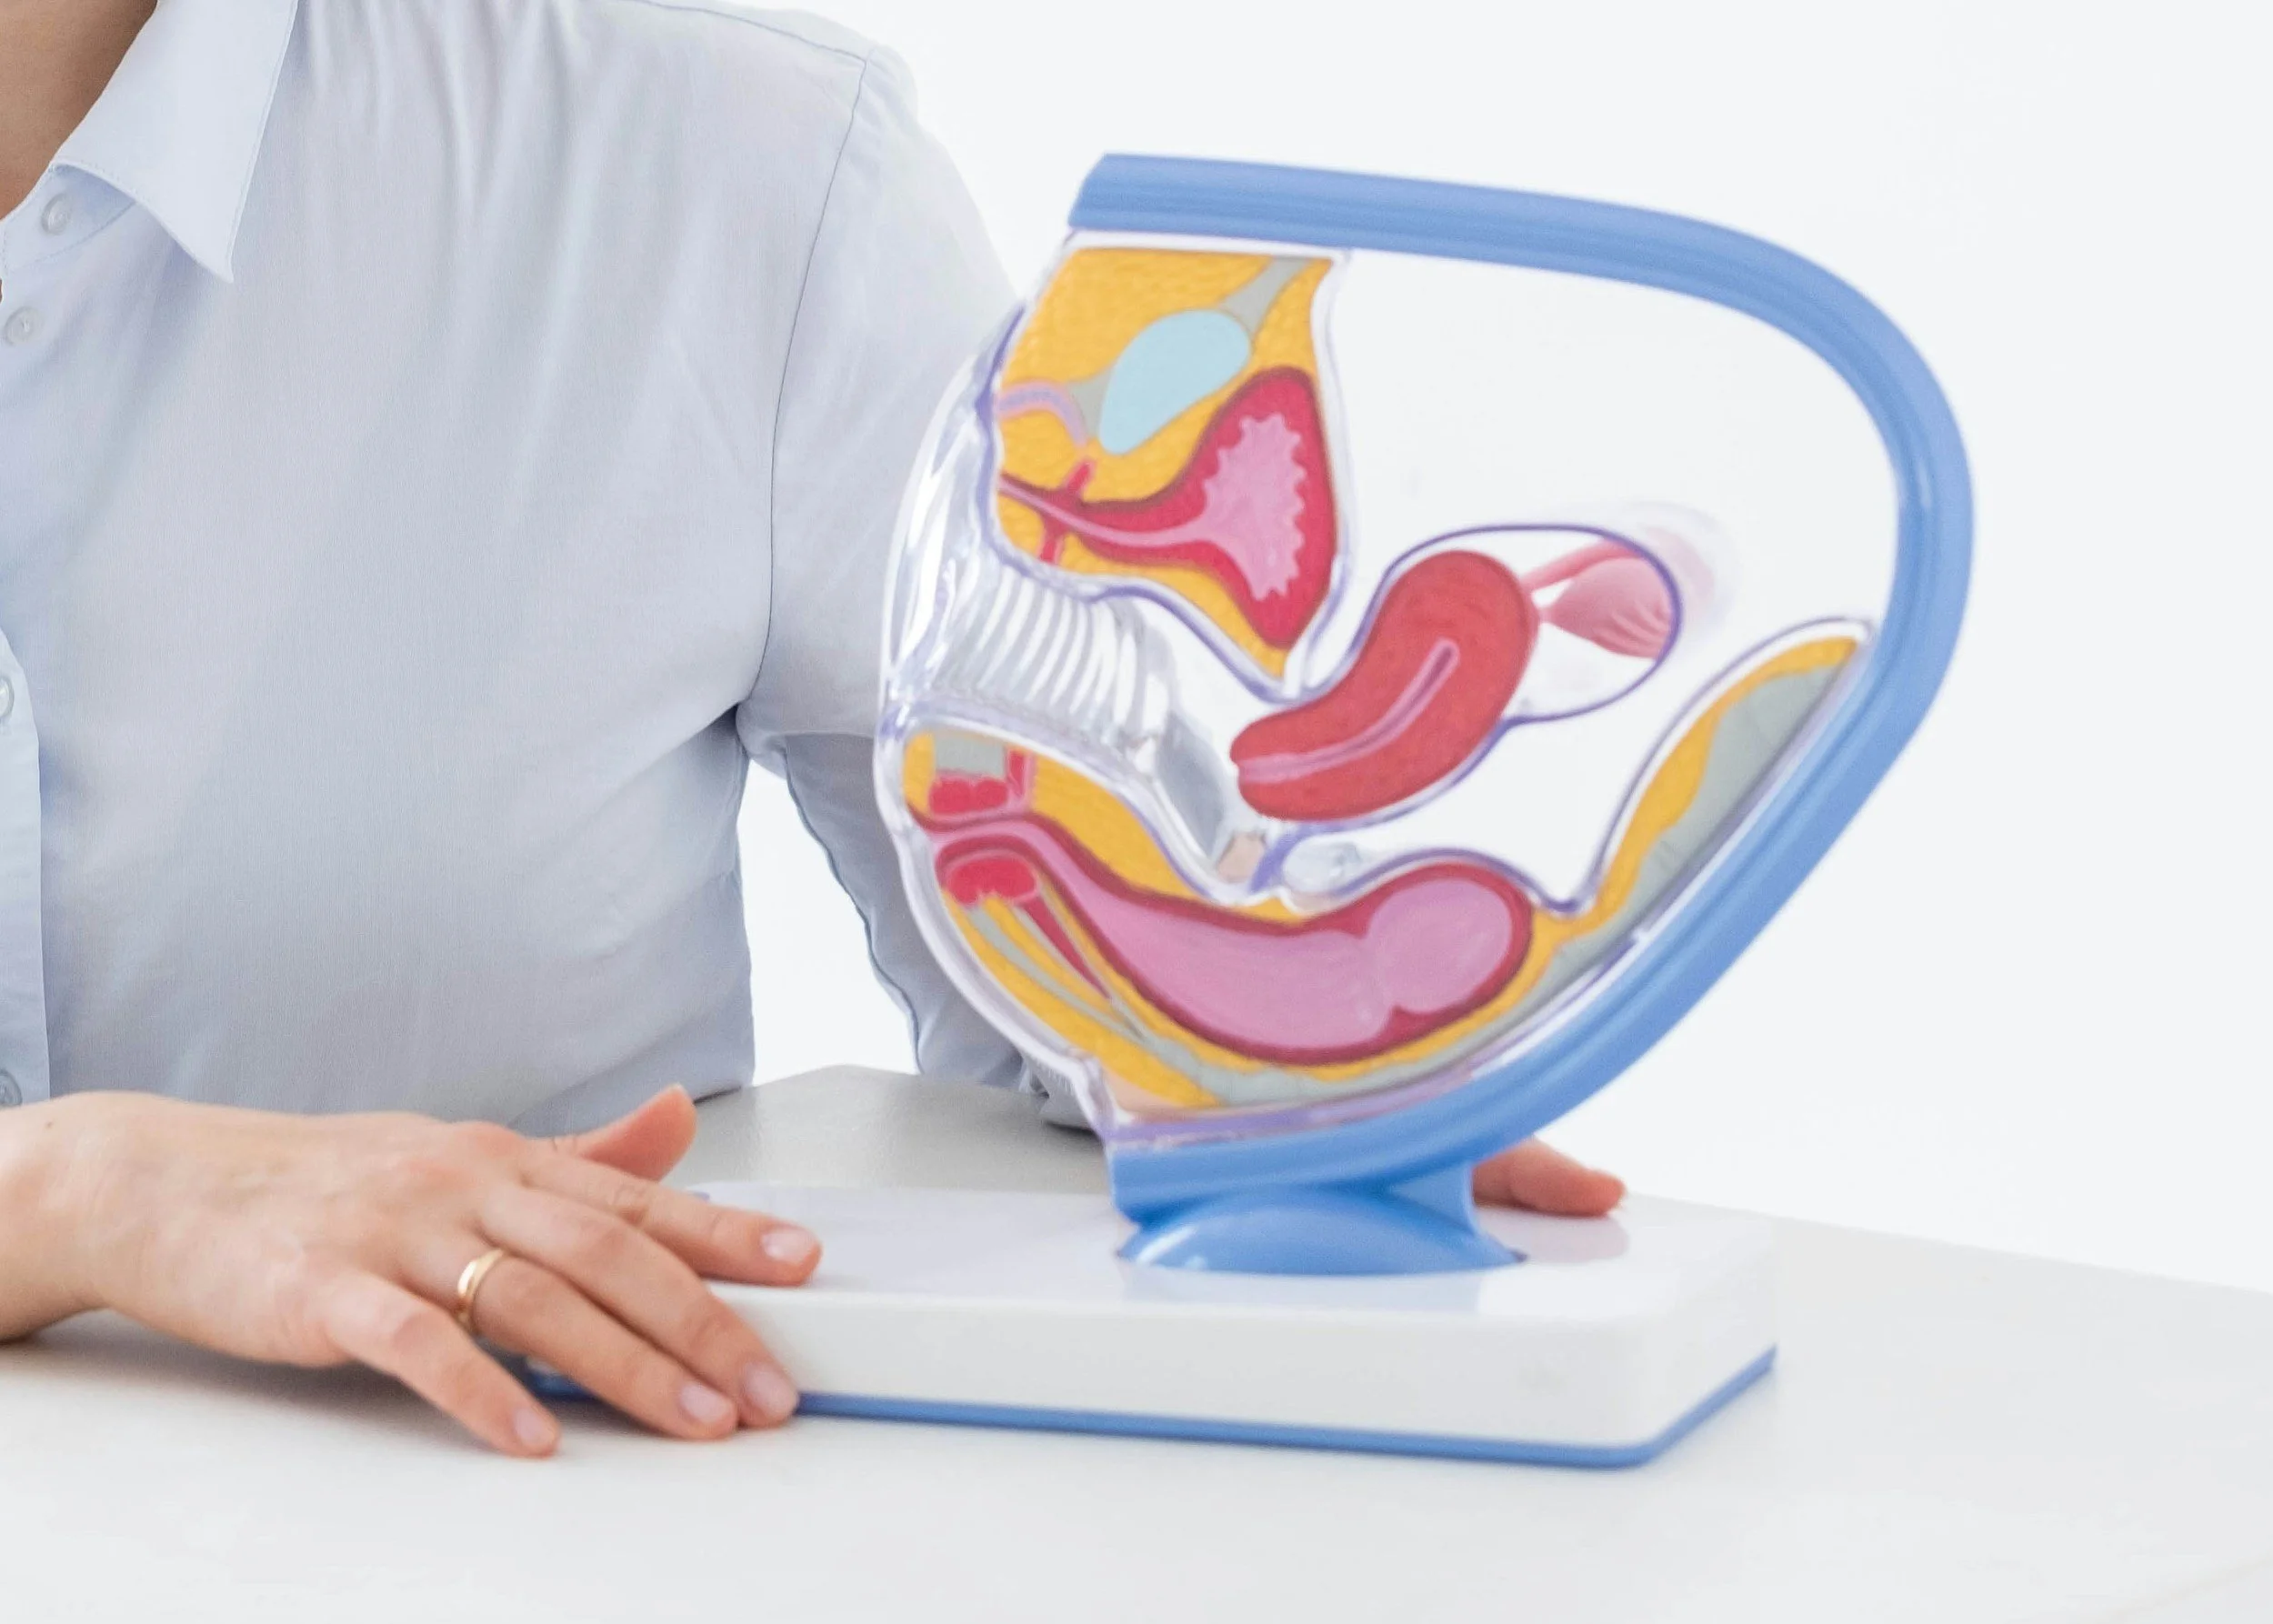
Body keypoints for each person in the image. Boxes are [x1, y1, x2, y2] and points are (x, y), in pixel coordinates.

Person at [0, 0, 1623, 1458]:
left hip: (511, 1530)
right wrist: (78, 1195)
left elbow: (1077, 962)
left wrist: (1279, 1067)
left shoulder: (724, 174)